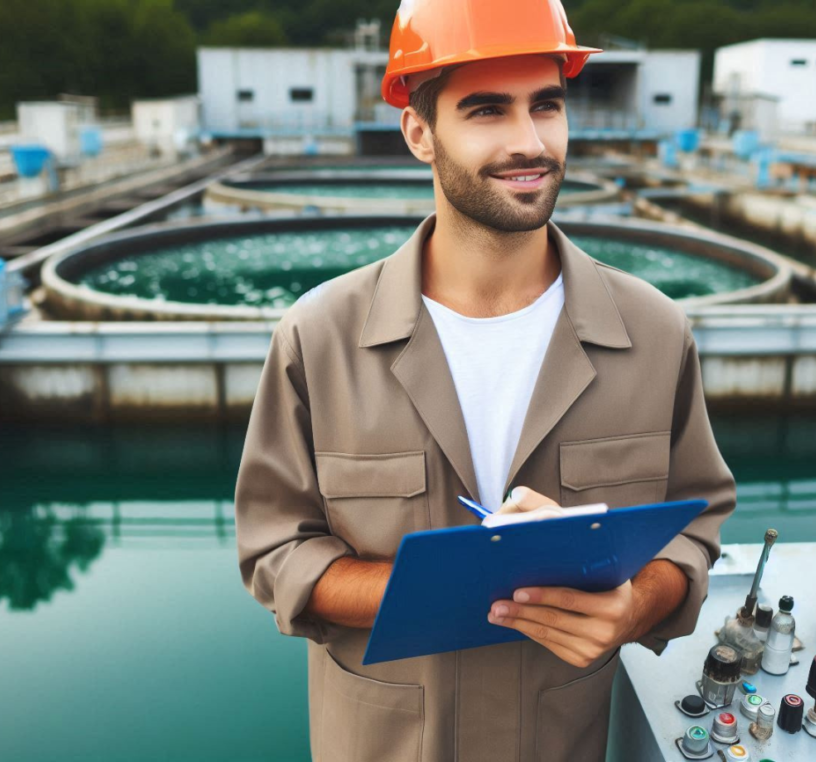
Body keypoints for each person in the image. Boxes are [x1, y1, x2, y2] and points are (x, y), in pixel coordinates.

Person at [234, 1, 736, 759]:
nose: (529, 142)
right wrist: (457, 586)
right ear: (419, 134)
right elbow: (274, 551)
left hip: (559, 737)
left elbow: (695, 530)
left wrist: (635, 607)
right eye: (487, 110)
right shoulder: (319, 336)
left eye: (547, 105)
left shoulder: (656, 332)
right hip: (386, 741)